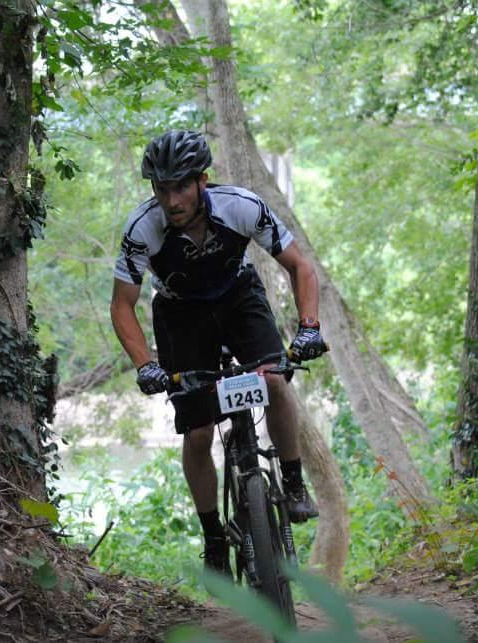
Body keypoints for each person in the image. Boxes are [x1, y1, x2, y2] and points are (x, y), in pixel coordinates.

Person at [109, 130, 328, 573]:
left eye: (181, 187)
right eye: (162, 189)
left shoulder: (241, 206)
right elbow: (121, 305)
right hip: (180, 313)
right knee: (199, 432)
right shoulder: (142, 229)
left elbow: (300, 266)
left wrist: (308, 329)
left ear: (201, 181)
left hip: (237, 297)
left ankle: (292, 480)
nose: (172, 201)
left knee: (276, 381)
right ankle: (213, 536)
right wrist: (145, 365)